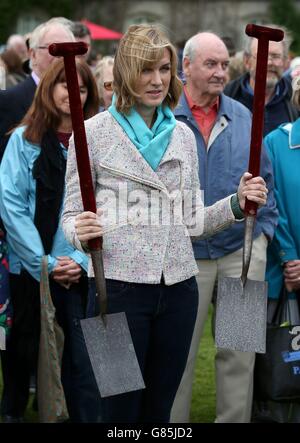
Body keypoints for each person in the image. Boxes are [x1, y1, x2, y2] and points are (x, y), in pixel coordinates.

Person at [61, 24, 268, 423]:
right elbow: (71, 216)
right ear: (124, 72)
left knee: (160, 411)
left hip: (177, 292)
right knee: (117, 411)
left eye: (163, 69)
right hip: (112, 290)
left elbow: (192, 223)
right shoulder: (91, 135)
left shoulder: (182, 137)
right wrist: (80, 233)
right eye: (145, 70)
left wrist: (237, 205)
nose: (157, 81)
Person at [170, 31, 277, 423]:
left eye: (224, 64)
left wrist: (262, 235)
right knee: (177, 355)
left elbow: (266, 182)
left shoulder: (244, 116)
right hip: (185, 257)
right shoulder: (167, 118)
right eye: (210, 64)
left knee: (239, 353)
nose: (219, 72)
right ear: (186, 66)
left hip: (240, 251)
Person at [0, 58, 101, 423]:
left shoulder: (101, 141)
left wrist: (82, 259)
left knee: (96, 363)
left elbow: (109, 207)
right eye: (63, 83)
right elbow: (11, 206)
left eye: (82, 86)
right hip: (40, 269)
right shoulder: (23, 141)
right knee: (46, 359)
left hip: (92, 267)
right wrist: (44, 262)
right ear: (48, 88)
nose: (72, 91)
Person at [258, 75, 300, 423]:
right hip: (263, 274)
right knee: (248, 363)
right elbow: (271, 204)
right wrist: (289, 257)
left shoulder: (240, 119)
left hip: (282, 270)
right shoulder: (273, 140)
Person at [0, 18, 75, 161]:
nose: (60, 55)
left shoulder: (82, 99)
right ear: (32, 54)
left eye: (66, 48)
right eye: (53, 48)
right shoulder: (7, 101)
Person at [224, 24, 299, 135]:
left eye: (275, 56)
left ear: (285, 62)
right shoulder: (227, 97)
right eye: (262, 54)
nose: (269, 62)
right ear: (247, 61)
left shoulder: (296, 100)